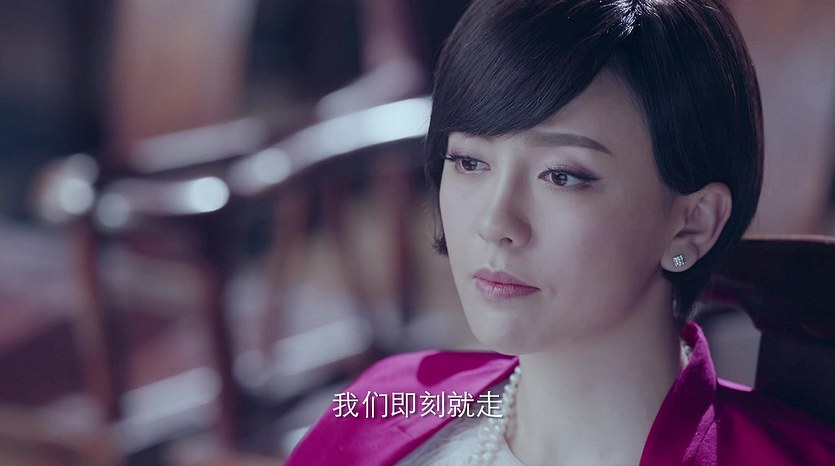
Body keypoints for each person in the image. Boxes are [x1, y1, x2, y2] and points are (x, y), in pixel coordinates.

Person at [285, 0, 835, 464]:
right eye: (470, 162)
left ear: (693, 223)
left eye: (562, 175)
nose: (495, 223)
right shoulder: (385, 403)